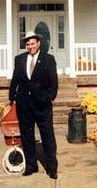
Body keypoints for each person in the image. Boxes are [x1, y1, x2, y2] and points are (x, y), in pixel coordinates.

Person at [8, 31, 59, 179]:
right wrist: (12, 97)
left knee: (47, 136)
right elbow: (15, 79)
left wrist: (50, 97)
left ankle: (51, 168)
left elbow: (53, 80)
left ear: (38, 44)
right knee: (27, 135)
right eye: (28, 44)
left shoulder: (48, 59)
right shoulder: (19, 59)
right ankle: (31, 166)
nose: (30, 46)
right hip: (24, 104)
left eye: (33, 43)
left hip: (42, 103)